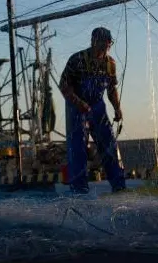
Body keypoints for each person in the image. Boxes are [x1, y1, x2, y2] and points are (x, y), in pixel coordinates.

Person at [59, 27, 126, 194]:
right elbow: (64, 86)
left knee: (109, 144)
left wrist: (117, 108)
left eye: (108, 45)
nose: (105, 48)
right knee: (78, 147)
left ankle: (119, 186)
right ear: (93, 41)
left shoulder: (110, 64)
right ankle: (79, 189)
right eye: (102, 44)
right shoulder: (77, 60)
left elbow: (111, 89)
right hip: (76, 108)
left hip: (97, 106)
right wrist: (78, 102)